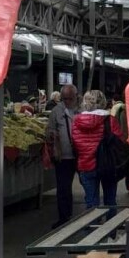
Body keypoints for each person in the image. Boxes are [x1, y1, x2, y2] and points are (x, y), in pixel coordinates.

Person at [71, 90, 122, 210]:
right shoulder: (110, 120)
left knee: (91, 203)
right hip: (108, 165)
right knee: (110, 201)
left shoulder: (76, 121)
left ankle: (92, 227)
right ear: (103, 102)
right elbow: (119, 140)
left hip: (85, 165)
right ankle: (110, 227)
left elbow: (74, 142)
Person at [45, 84, 80, 228]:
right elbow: (49, 131)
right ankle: (64, 217)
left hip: (81, 155)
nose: (67, 101)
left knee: (89, 186)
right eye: (65, 98)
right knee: (63, 188)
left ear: (76, 97)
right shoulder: (56, 111)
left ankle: (90, 217)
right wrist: (53, 138)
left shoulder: (82, 110)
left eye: (70, 98)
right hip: (63, 157)